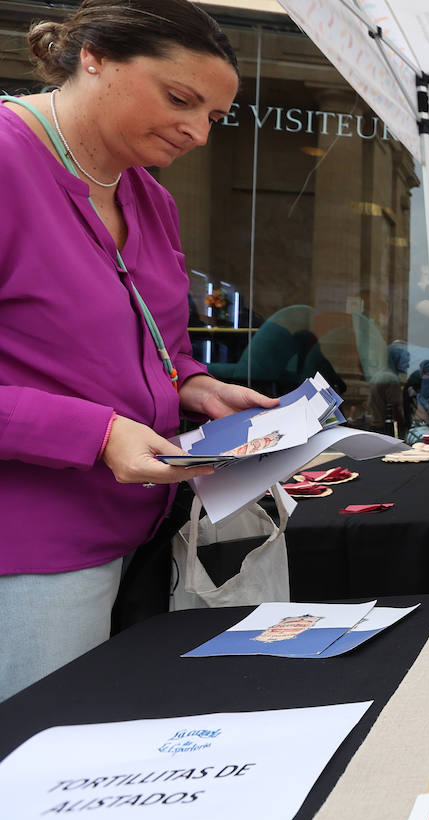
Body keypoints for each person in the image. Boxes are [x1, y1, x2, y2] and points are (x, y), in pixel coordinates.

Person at [0, 0, 277, 699]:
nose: (197, 134)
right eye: (180, 99)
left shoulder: (150, 198)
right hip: (32, 551)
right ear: (92, 53)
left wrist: (190, 383)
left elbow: (158, 337)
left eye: (214, 117)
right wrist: (95, 433)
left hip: (147, 532)